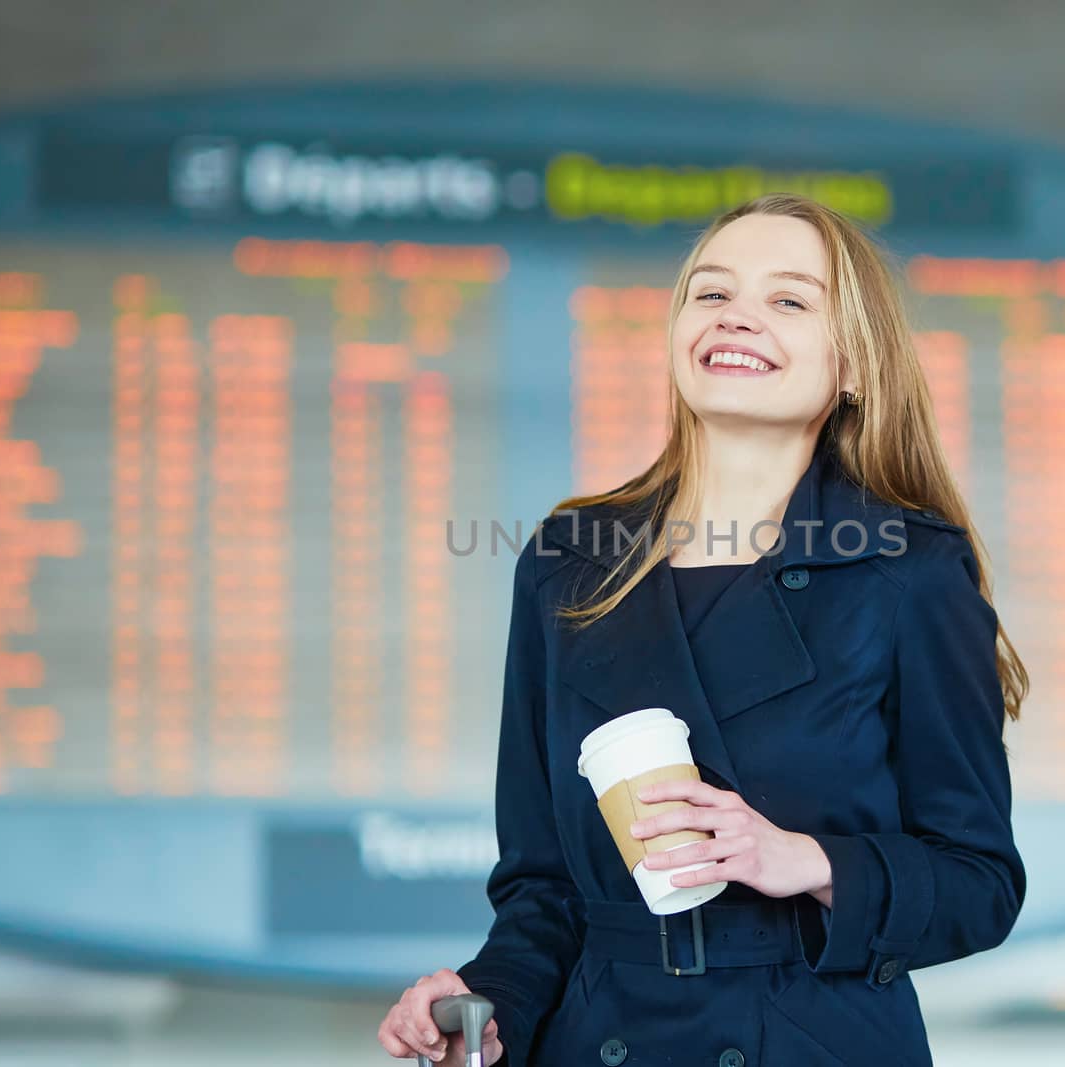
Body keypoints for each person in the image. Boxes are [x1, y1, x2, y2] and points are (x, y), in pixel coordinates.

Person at [378, 192, 1029, 1065]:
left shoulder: (907, 569)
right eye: (711, 293)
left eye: (789, 300)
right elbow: (543, 888)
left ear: (855, 367)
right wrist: (489, 1002)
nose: (737, 318)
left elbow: (979, 884)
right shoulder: (571, 561)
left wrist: (804, 859)